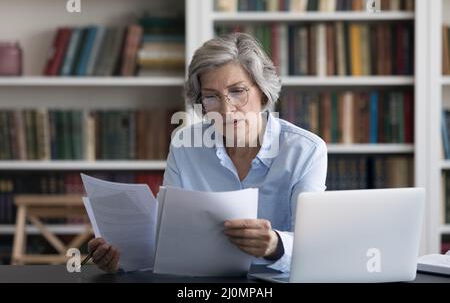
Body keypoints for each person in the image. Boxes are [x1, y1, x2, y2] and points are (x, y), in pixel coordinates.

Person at [87, 32, 328, 273]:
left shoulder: (305, 151)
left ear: (263, 92)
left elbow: (314, 248)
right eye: (211, 96)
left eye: (237, 91)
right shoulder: (185, 145)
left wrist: (275, 245)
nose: (226, 109)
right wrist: (123, 258)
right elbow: (167, 240)